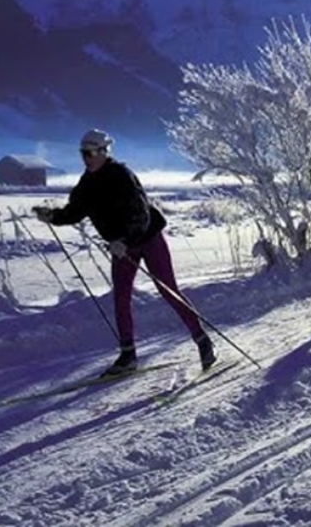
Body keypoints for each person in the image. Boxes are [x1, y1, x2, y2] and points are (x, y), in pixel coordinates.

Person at [33, 129, 215, 375]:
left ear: (103, 152)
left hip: (149, 239)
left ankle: (203, 341)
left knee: (168, 290)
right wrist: (52, 216)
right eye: (82, 154)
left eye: (90, 153)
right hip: (122, 247)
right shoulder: (86, 183)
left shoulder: (122, 176)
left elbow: (141, 214)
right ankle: (128, 355)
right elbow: (74, 211)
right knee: (121, 297)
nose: (86, 159)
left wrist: (124, 240)